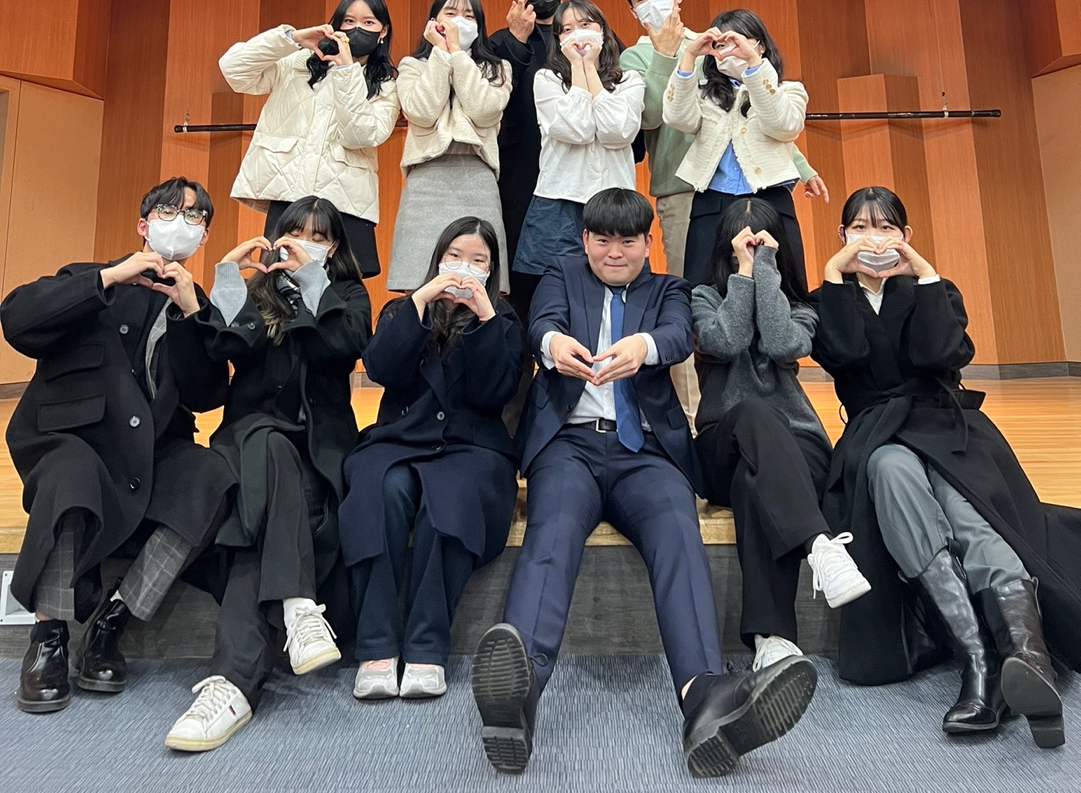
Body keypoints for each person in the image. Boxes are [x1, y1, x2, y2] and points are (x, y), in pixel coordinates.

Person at [472, 188, 817, 777]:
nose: (614, 252)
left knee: (679, 532)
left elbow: (680, 335)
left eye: (628, 241)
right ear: (584, 240)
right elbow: (540, 325)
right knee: (551, 532)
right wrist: (554, 346)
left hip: (647, 452)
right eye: (602, 239)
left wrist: (645, 345)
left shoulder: (669, 290)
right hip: (570, 447)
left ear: (647, 243)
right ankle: (518, 691)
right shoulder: (560, 276)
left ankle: (705, 699)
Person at [811, 186, 1081, 748]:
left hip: (943, 425)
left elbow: (940, 356)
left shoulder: (936, 289)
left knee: (966, 507)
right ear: (843, 236)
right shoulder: (828, 297)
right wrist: (835, 275)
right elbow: (845, 356)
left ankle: (1027, 655)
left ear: (905, 236)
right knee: (889, 470)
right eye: (859, 228)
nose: (873, 240)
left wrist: (926, 274)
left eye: (886, 228)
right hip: (876, 432)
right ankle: (979, 659)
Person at [1, 178, 234, 715]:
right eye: (170, 211)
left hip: (151, 452)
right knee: (72, 474)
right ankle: (49, 636)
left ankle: (113, 620)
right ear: (143, 224)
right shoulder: (87, 277)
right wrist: (108, 278)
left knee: (211, 476)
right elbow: (17, 318)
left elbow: (207, 395)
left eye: (195, 218)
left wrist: (191, 316)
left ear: (203, 237)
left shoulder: (196, 305)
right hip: (72, 439)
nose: (182, 223)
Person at [164, 196, 371, 752]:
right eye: (295, 232)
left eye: (318, 237)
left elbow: (344, 347)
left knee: (254, 528)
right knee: (269, 442)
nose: (304, 243)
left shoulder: (347, 295)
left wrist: (312, 282)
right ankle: (299, 609)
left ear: (334, 247)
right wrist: (227, 281)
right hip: (249, 445)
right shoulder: (258, 292)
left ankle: (231, 686)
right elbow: (229, 350)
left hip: (318, 458)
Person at [620, 0, 827, 419]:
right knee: (699, 297)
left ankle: (780, 401)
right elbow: (665, 116)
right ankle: (700, 413)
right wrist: (683, 59)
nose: (652, 3)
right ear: (632, 9)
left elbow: (775, 128)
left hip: (765, 197)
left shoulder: (751, 67)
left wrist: (751, 67)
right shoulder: (651, 60)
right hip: (697, 194)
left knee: (777, 290)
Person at [341, 217, 522, 701]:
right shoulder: (402, 310)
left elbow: (495, 392)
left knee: (449, 499)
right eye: (455, 256)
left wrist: (485, 318)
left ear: (492, 270)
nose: (464, 268)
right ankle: (376, 646)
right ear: (438, 259)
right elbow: (381, 368)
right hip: (400, 439)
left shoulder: (503, 320)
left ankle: (426, 647)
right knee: (382, 490)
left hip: (471, 446)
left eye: (479, 260)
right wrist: (420, 301)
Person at [692, 196, 870, 672]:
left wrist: (766, 271)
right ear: (726, 250)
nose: (751, 253)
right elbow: (727, 340)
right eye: (742, 248)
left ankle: (772, 640)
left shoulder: (800, 308)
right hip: (723, 441)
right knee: (753, 411)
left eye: (762, 247)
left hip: (796, 445)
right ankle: (820, 545)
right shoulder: (703, 299)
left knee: (756, 485)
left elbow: (780, 342)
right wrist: (745, 274)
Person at [219, 0, 399, 278]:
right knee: (278, 284)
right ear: (336, 25)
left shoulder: (386, 83)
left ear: (383, 31)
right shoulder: (297, 62)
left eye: (368, 22)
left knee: (341, 291)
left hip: (346, 204)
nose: (356, 29)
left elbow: (360, 136)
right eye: (349, 21)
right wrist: (290, 39)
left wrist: (347, 71)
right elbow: (233, 70)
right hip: (288, 195)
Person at [662, 7, 809, 292]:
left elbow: (783, 126)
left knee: (784, 287)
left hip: (770, 200)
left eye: (739, 41)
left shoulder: (788, 90)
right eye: (721, 45)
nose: (730, 50)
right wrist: (689, 56)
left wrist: (753, 65)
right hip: (713, 201)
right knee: (703, 289)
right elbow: (677, 118)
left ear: (761, 45)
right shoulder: (705, 93)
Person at [388, 0, 512, 293]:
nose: (460, 21)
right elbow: (423, 112)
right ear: (434, 21)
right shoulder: (412, 65)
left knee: (478, 282)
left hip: (478, 176)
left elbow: (483, 110)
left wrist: (457, 54)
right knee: (418, 282)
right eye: (451, 13)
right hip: (427, 177)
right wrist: (441, 55)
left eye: (469, 16)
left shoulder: (498, 68)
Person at [512, 0, 644, 281]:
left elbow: (617, 133)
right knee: (555, 288)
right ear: (558, 39)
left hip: (614, 199)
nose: (578, 35)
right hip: (559, 200)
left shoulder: (629, 80)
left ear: (602, 31)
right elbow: (577, 129)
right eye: (567, 30)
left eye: (585, 25)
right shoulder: (546, 79)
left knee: (617, 284)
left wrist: (590, 71)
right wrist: (576, 68)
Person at [490, 0, 568, 320]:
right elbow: (492, 105)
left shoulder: (589, 35)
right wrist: (516, 41)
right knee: (519, 286)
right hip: (520, 177)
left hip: (576, 177)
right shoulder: (498, 42)